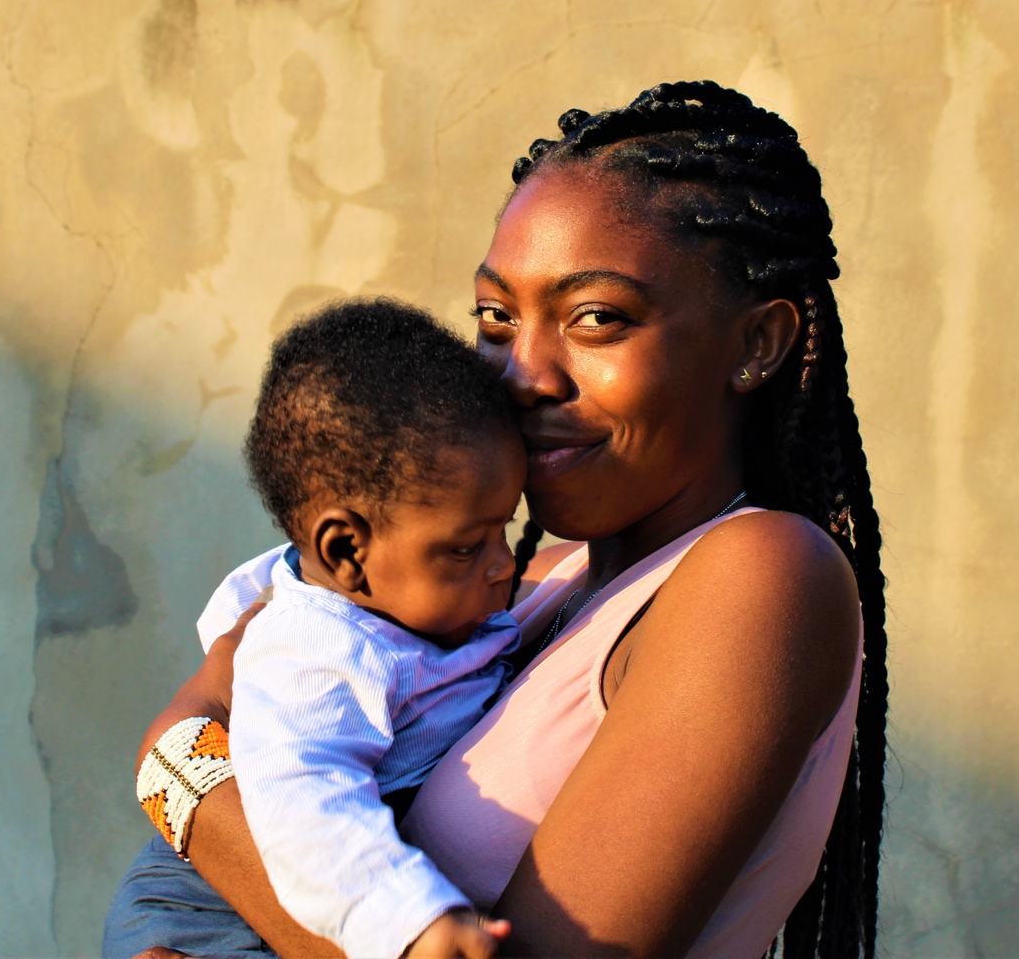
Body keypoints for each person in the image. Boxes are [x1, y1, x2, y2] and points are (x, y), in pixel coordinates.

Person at [106, 82, 887, 958]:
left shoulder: (761, 575)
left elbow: (184, 739)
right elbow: (239, 678)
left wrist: (185, 779)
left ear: (756, 345)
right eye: (496, 318)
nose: (524, 373)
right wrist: (183, 761)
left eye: (596, 318)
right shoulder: (528, 586)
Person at [113, 300, 528, 959]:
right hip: (214, 915)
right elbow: (304, 794)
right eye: (466, 547)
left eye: (506, 527)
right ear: (344, 552)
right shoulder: (325, 649)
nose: (503, 564)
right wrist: (411, 921)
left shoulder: (397, 608)